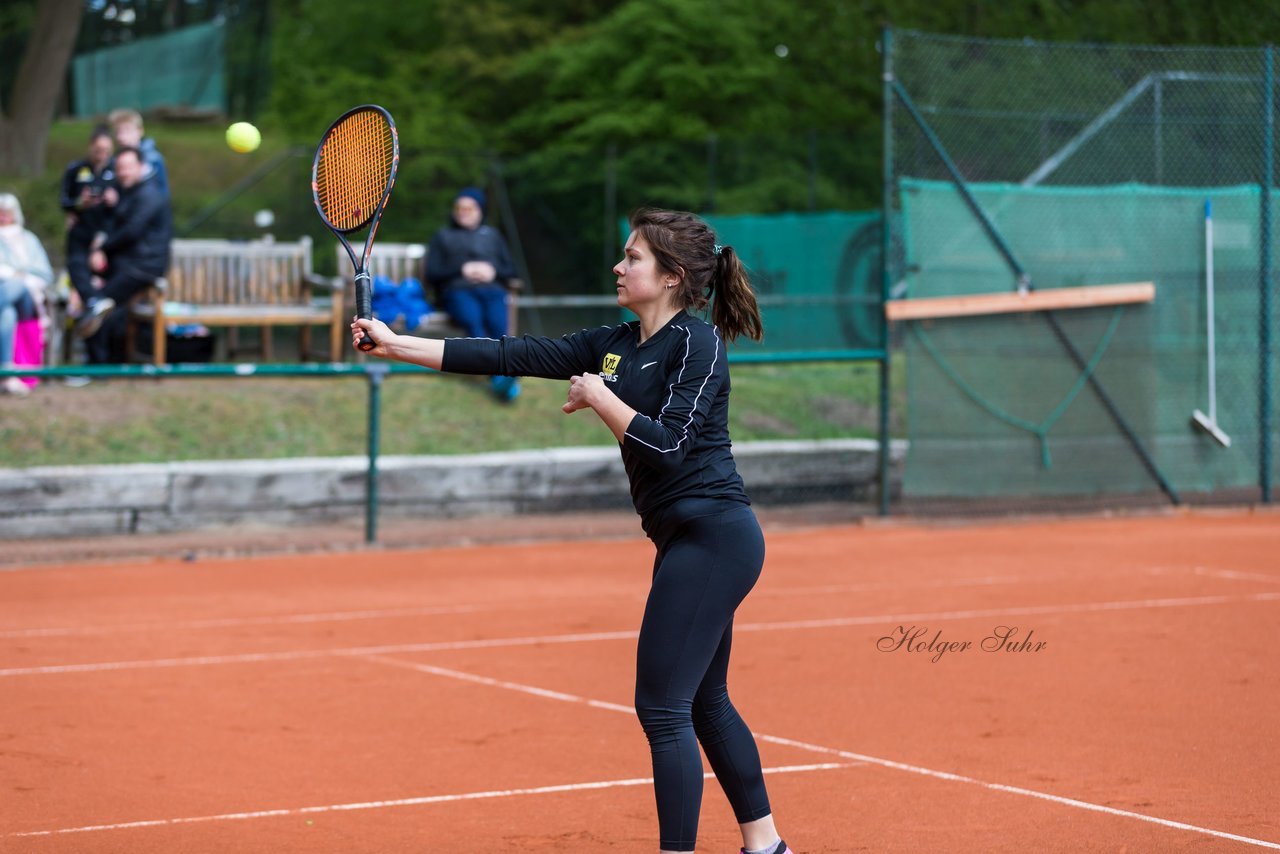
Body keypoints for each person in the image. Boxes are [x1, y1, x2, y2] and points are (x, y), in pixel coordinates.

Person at [353, 208, 793, 854]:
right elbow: (509, 351)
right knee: (701, 702)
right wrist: (395, 344)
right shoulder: (615, 344)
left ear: (672, 277)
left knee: (663, 708)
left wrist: (601, 397)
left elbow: (668, 447)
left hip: (717, 538)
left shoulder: (698, 344)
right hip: (684, 541)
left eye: (633, 258)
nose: (618, 266)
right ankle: (767, 846)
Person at [75, 146, 173, 364]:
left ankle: (97, 365)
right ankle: (106, 362)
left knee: (99, 304)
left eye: (128, 167)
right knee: (99, 301)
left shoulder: (149, 194)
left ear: (140, 167)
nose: (123, 172)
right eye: (120, 168)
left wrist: (102, 249)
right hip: (126, 263)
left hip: (144, 267)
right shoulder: (126, 192)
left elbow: (131, 231)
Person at [426, 187, 521, 402]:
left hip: (492, 290)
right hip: (458, 292)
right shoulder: (443, 236)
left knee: (499, 327)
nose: (463, 212)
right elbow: (432, 273)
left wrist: (493, 272)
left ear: (480, 211)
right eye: (459, 208)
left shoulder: (493, 236)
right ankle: (499, 377)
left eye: (469, 208)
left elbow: (511, 271)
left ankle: (502, 374)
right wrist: (462, 270)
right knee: (475, 323)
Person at [0, 194, 54, 396]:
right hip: (4, 297)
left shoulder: (29, 239)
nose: (3, 217)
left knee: (18, 284)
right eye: (0, 213)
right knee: (6, 313)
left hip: (29, 299)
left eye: (7, 213)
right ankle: (6, 374)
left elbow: (44, 274)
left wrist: (17, 276)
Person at [59, 126, 115, 308]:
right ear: (90, 147)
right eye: (99, 150)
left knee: (106, 273)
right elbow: (64, 201)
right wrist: (80, 203)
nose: (102, 154)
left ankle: (103, 305)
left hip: (109, 233)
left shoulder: (117, 169)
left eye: (107, 150)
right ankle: (93, 303)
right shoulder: (76, 169)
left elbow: (127, 206)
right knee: (76, 267)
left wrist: (114, 200)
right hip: (82, 230)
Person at [108, 108, 169, 199]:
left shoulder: (152, 159)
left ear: (140, 131)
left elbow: (161, 193)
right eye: (117, 132)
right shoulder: (113, 160)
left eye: (127, 131)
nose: (121, 137)